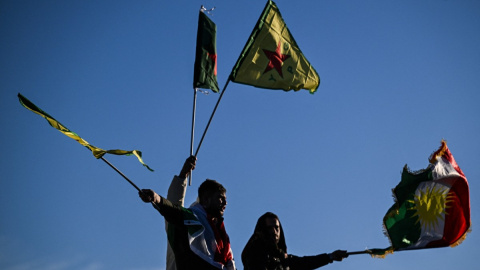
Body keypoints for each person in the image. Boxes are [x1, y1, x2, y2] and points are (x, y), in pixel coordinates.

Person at [139, 168, 236, 270]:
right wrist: (156, 198)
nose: (225, 203)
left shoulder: (221, 234)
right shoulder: (189, 219)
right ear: (206, 200)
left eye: (225, 199)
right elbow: (172, 208)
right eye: (220, 198)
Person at [242, 212, 348, 270]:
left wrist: (330, 256)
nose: (274, 232)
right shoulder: (255, 252)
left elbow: (304, 263)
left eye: (277, 228)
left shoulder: (283, 258)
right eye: (270, 228)